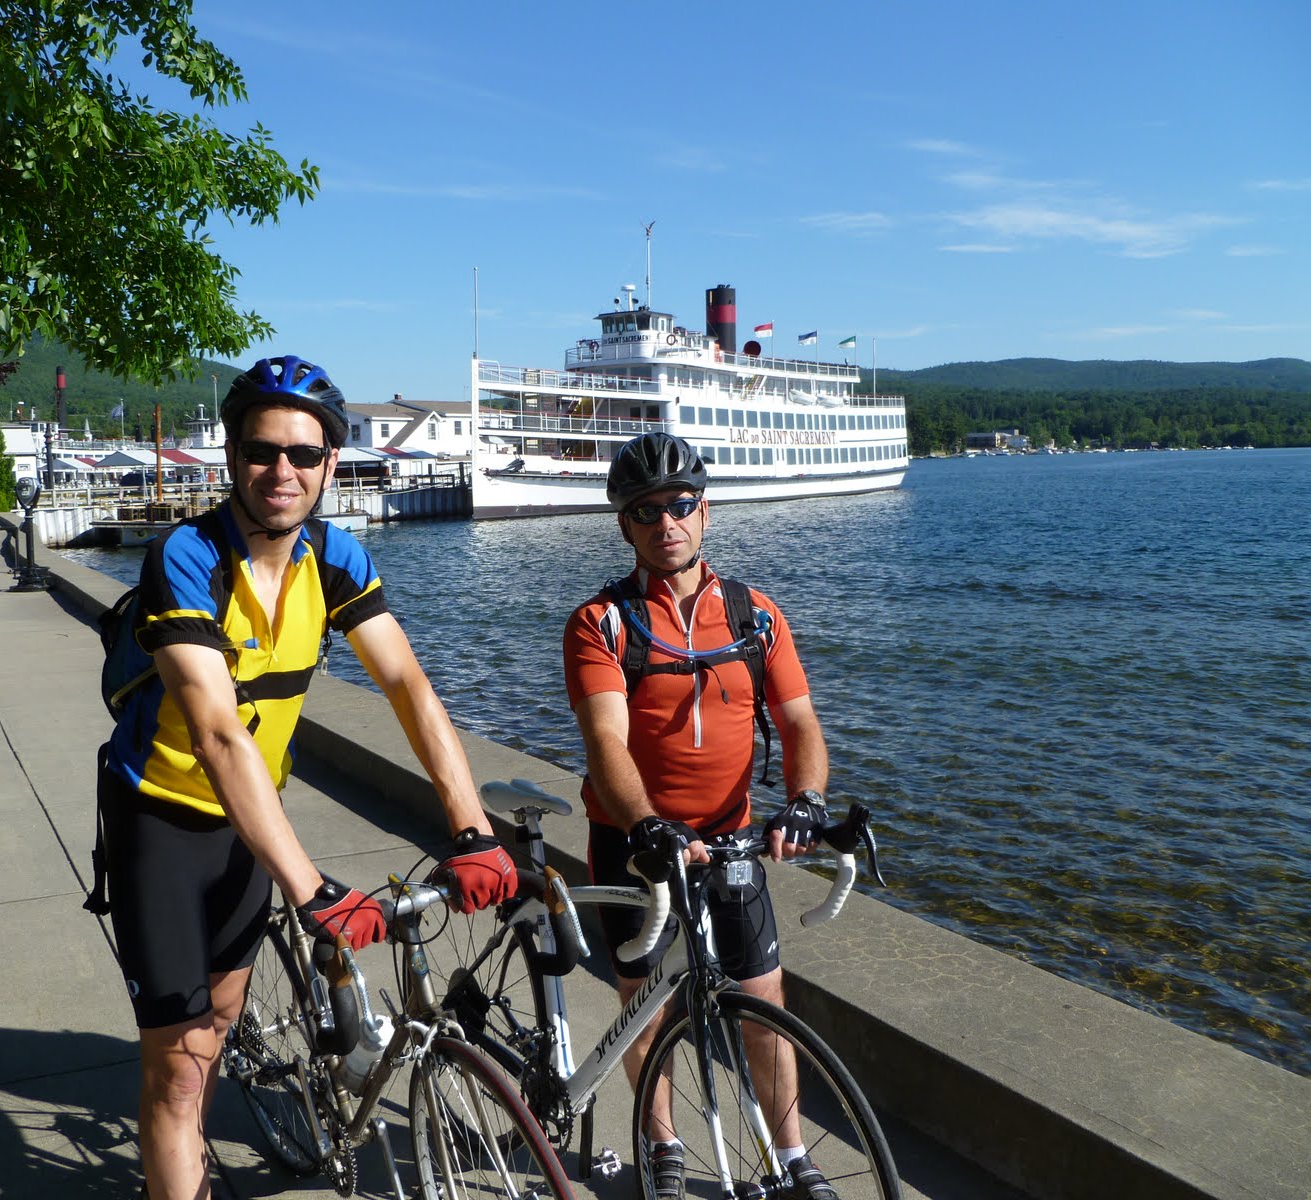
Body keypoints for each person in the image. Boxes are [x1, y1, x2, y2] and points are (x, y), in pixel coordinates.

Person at [99, 356, 516, 1200]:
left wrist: (472, 828)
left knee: (218, 1023)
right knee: (178, 1070)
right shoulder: (186, 557)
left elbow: (407, 686)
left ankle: (190, 1158)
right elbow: (217, 732)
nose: (280, 472)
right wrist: (312, 885)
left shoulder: (336, 558)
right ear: (231, 457)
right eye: (261, 451)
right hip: (162, 820)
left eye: (303, 453)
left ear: (332, 462)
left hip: (252, 821)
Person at [562, 432, 838, 1200]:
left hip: (732, 837)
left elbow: (801, 724)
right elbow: (606, 742)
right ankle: (661, 1142)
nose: (666, 522)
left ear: (705, 512)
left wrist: (808, 799)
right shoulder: (602, 623)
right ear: (626, 527)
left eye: (681, 505)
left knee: (761, 998)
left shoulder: (755, 616)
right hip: (635, 840)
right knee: (644, 1003)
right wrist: (648, 823)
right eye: (645, 511)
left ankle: (790, 1155)